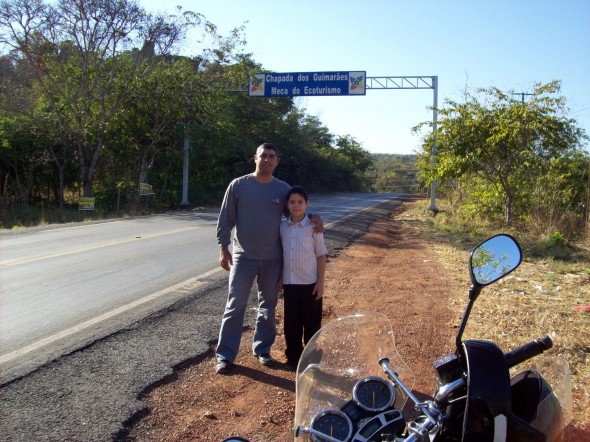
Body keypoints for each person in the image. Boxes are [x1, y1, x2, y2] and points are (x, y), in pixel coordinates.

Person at [215, 143, 322, 374]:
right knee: (235, 305)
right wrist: (223, 248)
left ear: (277, 161)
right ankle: (225, 355)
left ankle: (262, 349)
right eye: (263, 155)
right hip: (243, 257)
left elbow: (297, 211)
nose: (267, 160)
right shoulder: (239, 185)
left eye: (272, 156)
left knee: (268, 306)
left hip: (274, 259)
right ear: (255, 158)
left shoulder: (282, 189)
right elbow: (226, 219)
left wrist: (315, 217)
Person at [278, 185, 328, 371]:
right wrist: (279, 277)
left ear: (307, 204)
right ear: (287, 205)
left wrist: (321, 283)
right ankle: (293, 358)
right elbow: (281, 254)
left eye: (300, 202)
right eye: (292, 202)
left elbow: (321, 255)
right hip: (290, 283)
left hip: (311, 284)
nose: (296, 206)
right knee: (291, 323)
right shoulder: (283, 227)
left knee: (312, 323)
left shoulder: (314, 227)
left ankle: (312, 359)